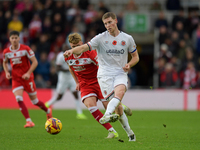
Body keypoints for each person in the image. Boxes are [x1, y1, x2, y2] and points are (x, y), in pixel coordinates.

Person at [64, 12, 139, 141]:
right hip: (102, 78)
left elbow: (135, 57)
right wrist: (71, 52)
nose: (108, 25)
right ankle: (125, 131)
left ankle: (108, 114)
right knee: (112, 108)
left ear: (116, 21)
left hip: (117, 74)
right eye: (105, 23)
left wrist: (129, 64)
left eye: (110, 22)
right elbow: (81, 51)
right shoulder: (99, 38)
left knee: (118, 99)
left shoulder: (127, 38)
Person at [3, 30, 52, 128]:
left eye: (16, 38)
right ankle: (29, 121)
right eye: (12, 38)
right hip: (16, 79)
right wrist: (7, 72)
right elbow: (4, 62)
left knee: (34, 102)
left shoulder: (25, 49)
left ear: (19, 38)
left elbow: (35, 62)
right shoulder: (6, 52)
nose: (14, 40)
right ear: (10, 39)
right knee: (18, 98)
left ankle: (48, 110)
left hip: (27, 79)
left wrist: (28, 73)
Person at [45, 44, 87, 120]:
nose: (66, 49)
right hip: (63, 78)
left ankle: (79, 113)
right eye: (65, 48)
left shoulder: (72, 54)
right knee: (59, 96)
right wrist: (69, 69)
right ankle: (47, 104)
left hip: (71, 77)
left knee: (75, 94)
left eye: (67, 48)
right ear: (62, 49)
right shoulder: (61, 56)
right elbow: (57, 68)